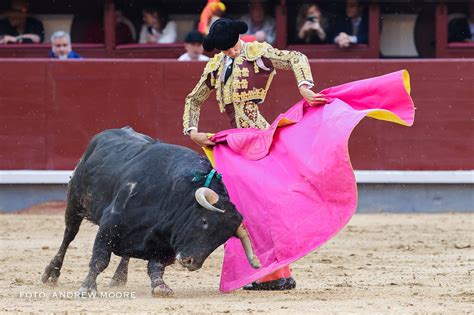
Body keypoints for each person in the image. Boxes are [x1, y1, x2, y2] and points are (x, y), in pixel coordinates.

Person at [182, 18, 327, 290]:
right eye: (224, 50)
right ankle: (268, 272)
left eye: (232, 47)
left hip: (259, 139)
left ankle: (276, 273)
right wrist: (192, 131)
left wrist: (305, 87)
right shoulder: (215, 65)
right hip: (235, 145)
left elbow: (296, 57)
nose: (231, 52)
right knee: (248, 208)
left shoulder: (257, 53)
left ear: (238, 40)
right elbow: (194, 99)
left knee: (263, 208)